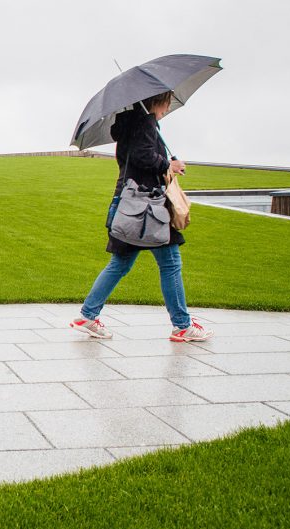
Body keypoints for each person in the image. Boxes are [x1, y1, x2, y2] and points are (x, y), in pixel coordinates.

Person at [71, 91, 213, 342]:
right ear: (158, 100)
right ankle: (182, 326)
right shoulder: (144, 123)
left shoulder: (130, 124)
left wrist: (166, 162)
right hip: (147, 208)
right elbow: (142, 156)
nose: (168, 107)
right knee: (170, 263)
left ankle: (87, 316)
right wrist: (168, 165)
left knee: (120, 263)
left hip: (128, 205)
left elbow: (138, 157)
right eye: (167, 101)